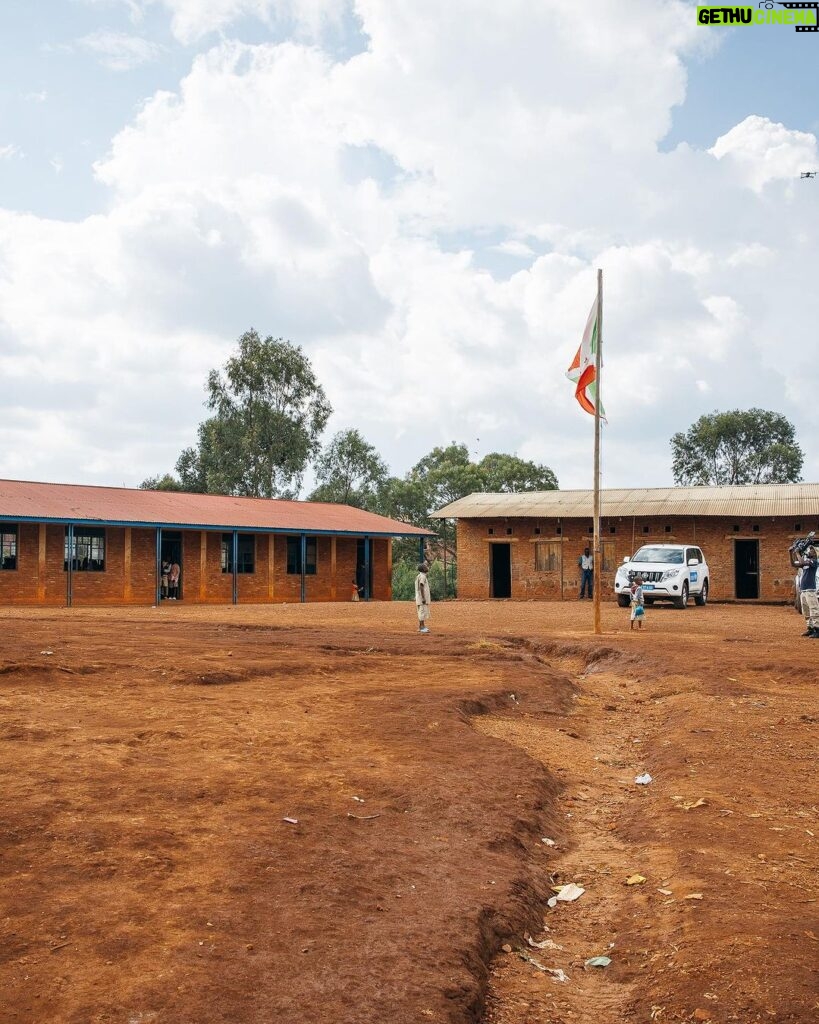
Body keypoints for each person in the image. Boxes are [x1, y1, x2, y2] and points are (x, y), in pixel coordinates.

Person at [793, 544, 819, 637]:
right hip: (803, 590)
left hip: (810, 589)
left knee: (814, 609)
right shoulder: (805, 562)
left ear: (815, 554)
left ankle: (817, 629)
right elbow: (793, 564)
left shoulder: (814, 561)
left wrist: (797, 553)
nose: (809, 551)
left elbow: (802, 562)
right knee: (806, 610)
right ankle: (810, 628)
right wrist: (790, 553)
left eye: (811, 550)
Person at [415, 561, 431, 634]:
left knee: (421, 612)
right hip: (422, 598)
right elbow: (421, 586)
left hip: (419, 598)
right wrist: (423, 598)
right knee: (422, 612)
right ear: (423, 569)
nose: (427, 567)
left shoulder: (420, 575)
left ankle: (421, 627)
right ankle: (422, 627)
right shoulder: (422, 576)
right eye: (425, 566)